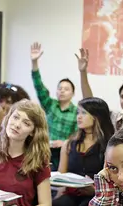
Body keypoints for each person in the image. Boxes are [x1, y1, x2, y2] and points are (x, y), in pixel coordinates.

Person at [41, 97, 114, 206]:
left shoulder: (109, 145)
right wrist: (59, 194)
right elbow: (61, 176)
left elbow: (110, 181)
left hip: (95, 196)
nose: (78, 117)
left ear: (96, 116)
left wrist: (94, 189)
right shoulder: (69, 143)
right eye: (78, 113)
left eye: (83, 113)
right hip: (71, 193)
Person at [31, 42, 78, 170]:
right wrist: (34, 63)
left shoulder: (77, 112)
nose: (62, 91)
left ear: (73, 93)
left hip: (65, 153)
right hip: (45, 150)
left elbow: (78, 135)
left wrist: (64, 143)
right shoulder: (50, 104)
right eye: (60, 88)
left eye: (66, 89)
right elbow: (39, 86)